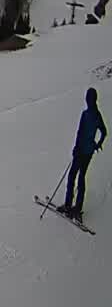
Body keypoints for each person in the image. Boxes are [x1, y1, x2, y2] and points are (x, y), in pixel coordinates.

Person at [61, 88, 107, 218]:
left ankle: (68, 205)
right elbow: (104, 132)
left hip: (81, 151)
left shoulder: (86, 114)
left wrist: (76, 148)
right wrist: (97, 143)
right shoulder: (97, 115)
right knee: (81, 177)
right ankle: (77, 208)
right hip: (89, 152)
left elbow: (80, 133)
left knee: (72, 176)